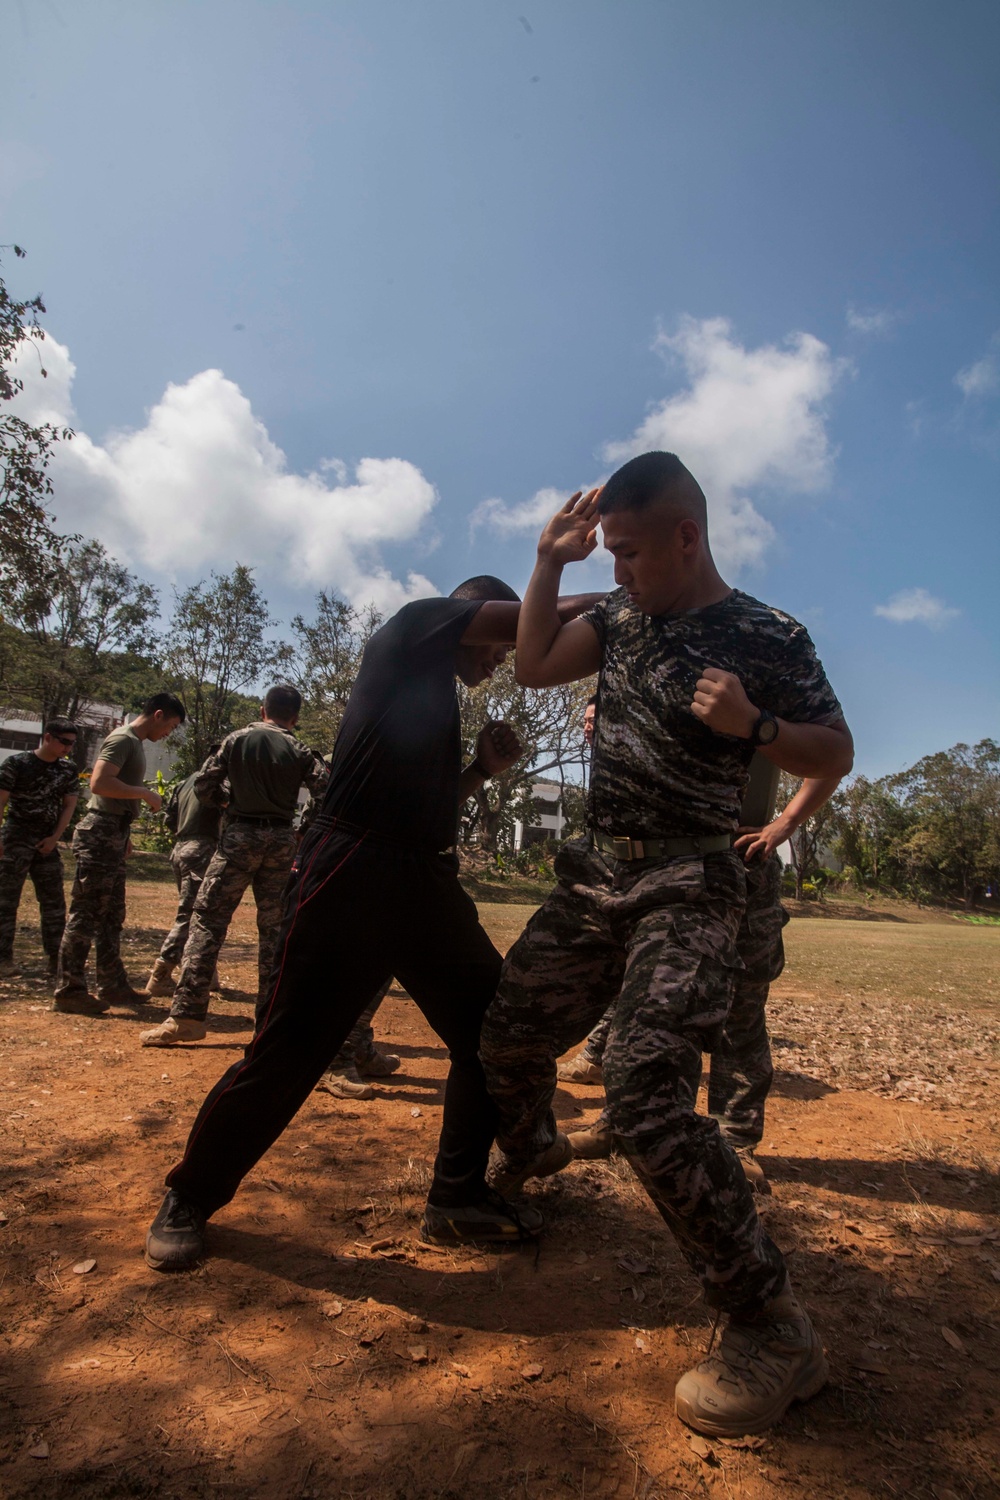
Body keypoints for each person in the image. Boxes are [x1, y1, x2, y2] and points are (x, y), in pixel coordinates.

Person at [479, 453, 853, 1438]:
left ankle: (773, 1329)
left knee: (644, 1089)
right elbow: (529, 664)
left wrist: (755, 722)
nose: (620, 570)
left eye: (631, 552)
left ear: (687, 537)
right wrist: (547, 565)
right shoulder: (616, 617)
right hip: (597, 871)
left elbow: (834, 751)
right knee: (506, 1039)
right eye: (609, 554)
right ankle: (535, 1146)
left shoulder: (768, 635)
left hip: (693, 883)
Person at [144, 577, 601, 1270]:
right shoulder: (412, 628)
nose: (503, 659)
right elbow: (545, 614)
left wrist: (480, 769)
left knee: (490, 1034)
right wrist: (626, 597)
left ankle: (456, 1198)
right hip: (348, 873)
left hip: (423, 882)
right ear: (470, 618)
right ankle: (189, 1196)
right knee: (291, 1050)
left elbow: (429, 810)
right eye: (499, 643)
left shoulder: (437, 701)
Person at [561, 763, 842, 1196]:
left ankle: (734, 1142)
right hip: (662, 864)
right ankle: (622, 1123)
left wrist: (783, 824)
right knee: (648, 997)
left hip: (742, 860)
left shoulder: (765, 696)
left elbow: (833, 752)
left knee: (742, 1009)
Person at [140, 686, 329, 1047]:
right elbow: (325, 792)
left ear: (263, 710)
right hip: (280, 842)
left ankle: (187, 1017)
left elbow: (204, 784)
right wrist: (301, 831)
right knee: (275, 934)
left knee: (207, 923)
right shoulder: (302, 750)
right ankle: (269, 1024)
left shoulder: (236, 740)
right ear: (295, 717)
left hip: (239, 838)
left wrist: (228, 805)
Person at [52, 694, 186, 1016]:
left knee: (111, 916)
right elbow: (99, 784)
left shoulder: (135, 743)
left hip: (114, 832)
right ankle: (69, 990)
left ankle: (112, 984)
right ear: (157, 715)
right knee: (85, 914)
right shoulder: (123, 739)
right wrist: (142, 793)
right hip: (100, 833)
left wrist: (124, 831)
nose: (169, 732)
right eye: (171, 725)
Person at [0, 719, 81, 979]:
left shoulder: (68, 770)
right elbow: (1, 802)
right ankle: (3, 960)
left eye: (72, 744)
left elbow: (69, 805)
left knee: (54, 902)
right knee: (5, 901)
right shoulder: (17, 764)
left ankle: (55, 961)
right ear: (48, 737)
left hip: (46, 842)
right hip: (15, 838)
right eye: (64, 742)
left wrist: (55, 837)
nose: (67, 748)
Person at [144, 759, 224, 998]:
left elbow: (170, 819)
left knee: (198, 913)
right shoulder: (219, 784)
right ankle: (161, 974)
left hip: (180, 849)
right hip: (202, 849)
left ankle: (206, 975)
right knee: (191, 915)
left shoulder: (186, 781)